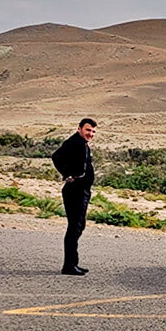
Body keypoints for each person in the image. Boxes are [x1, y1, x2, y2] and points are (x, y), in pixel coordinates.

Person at [51, 118, 96, 275]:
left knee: (79, 225)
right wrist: (67, 174)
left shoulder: (82, 144)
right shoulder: (73, 142)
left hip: (82, 190)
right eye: (88, 130)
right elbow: (56, 157)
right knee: (74, 227)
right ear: (79, 129)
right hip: (75, 191)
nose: (90, 134)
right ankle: (69, 265)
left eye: (93, 131)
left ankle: (73, 262)